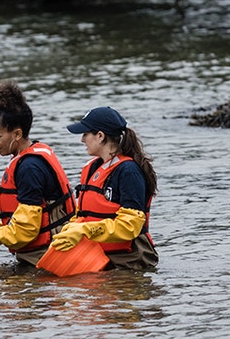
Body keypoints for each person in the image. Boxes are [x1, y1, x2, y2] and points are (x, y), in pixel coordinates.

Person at [0, 81, 75, 266]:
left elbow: (26, 230)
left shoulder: (29, 168)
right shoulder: (31, 157)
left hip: (47, 257)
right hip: (42, 253)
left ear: (17, 134)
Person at [49, 106, 159, 270]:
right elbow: (85, 215)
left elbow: (130, 227)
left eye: (85, 134)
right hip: (99, 255)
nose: (82, 139)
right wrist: (71, 229)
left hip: (129, 259)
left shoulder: (129, 172)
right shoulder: (92, 168)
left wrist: (84, 230)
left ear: (100, 136)